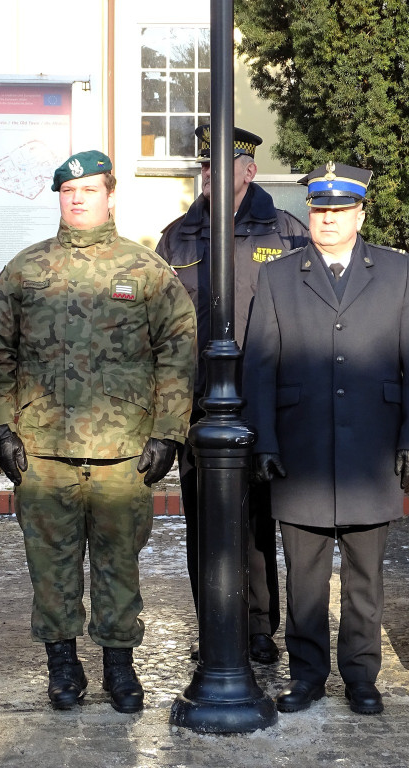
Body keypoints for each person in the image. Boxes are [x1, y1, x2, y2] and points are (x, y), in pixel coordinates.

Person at [0, 151, 196, 713]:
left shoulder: (146, 269)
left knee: (118, 563)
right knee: (50, 567)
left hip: (123, 451)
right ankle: (63, 666)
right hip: (42, 450)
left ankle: (119, 667)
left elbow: (178, 353)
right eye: (67, 190)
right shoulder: (25, 270)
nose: (77, 198)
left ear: (110, 194)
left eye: (88, 189)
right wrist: (2, 427)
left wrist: (168, 433)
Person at [243, 162, 409, 715]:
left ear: (360, 214)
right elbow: (260, 364)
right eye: (320, 211)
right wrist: (264, 442)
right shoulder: (280, 275)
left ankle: (360, 675)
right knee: (303, 576)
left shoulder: (398, 271)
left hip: (371, 448)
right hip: (300, 447)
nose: (327, 220)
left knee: (364, 576)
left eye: (339, 211)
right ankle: (305, 674)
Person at [156, 124, 309, 664]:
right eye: (202, 168)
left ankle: (260, 627)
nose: (209, 176)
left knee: (260, 521)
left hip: (264, 404)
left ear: (248, 171)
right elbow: (162, 328)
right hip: (199, 404)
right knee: (204, 524)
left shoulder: (286, 231)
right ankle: (214, 626)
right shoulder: (178, 236)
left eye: (219, 167)